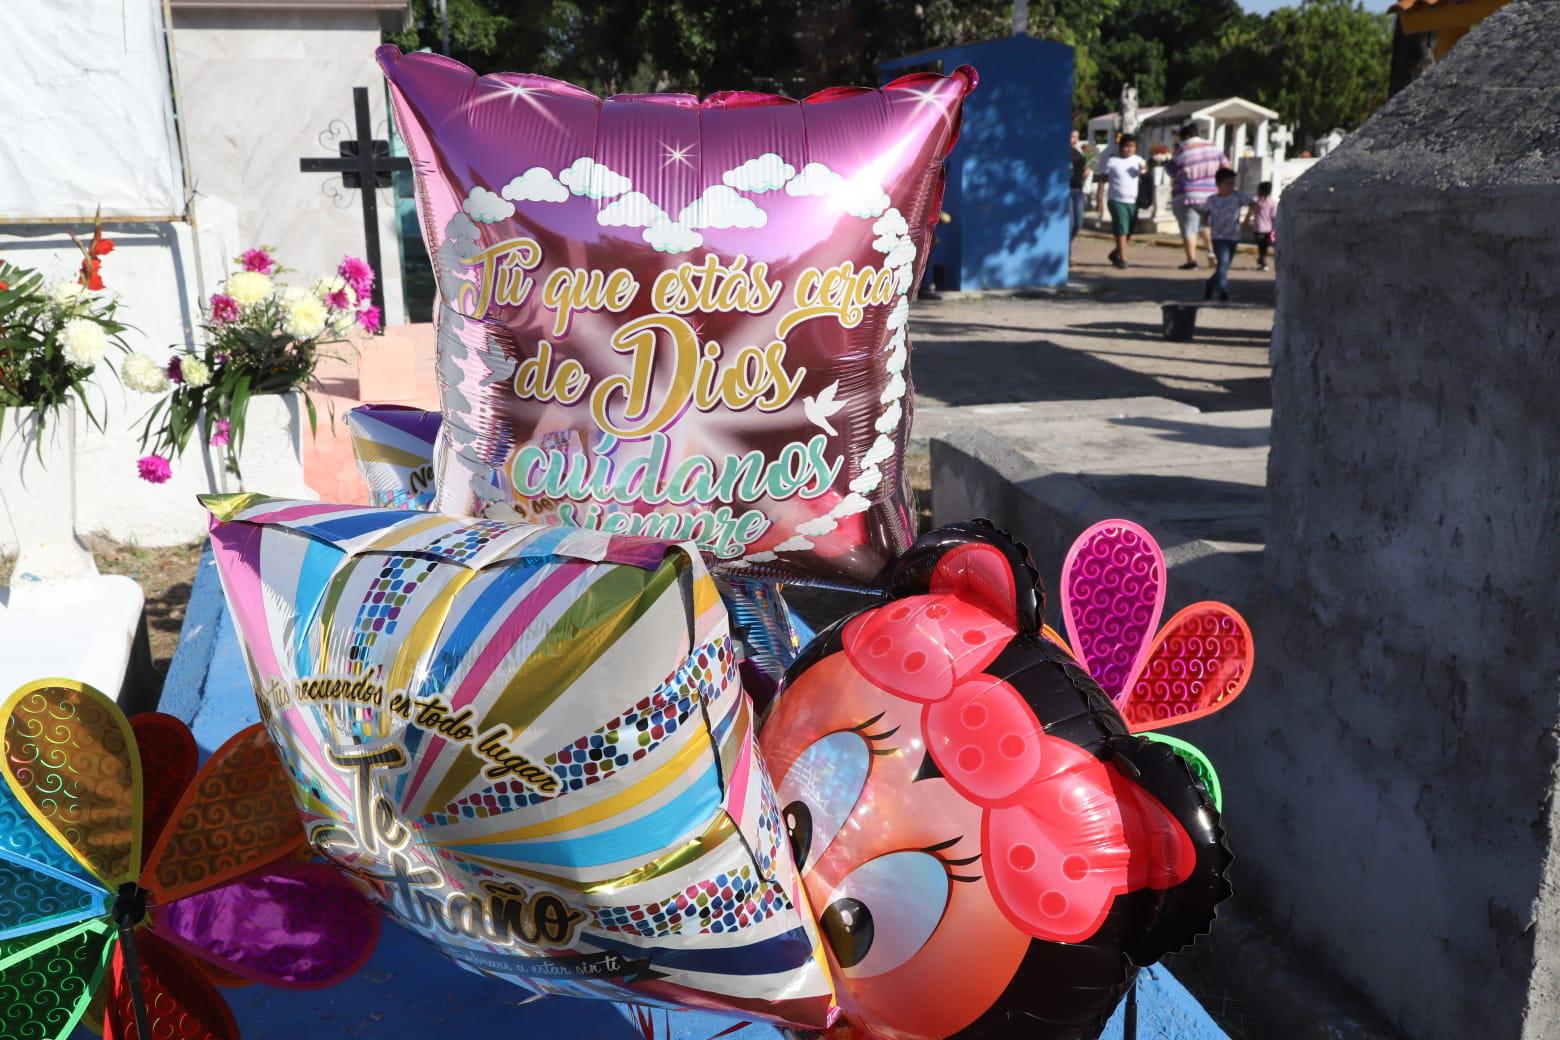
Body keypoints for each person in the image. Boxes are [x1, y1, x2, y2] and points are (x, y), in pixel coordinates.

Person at [1166, 122, 1229, 270]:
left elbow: (1171, 170)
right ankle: (1212, 252)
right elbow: (1226, 167)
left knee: (1189, 227)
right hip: (1210, 194)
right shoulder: (1212, 147)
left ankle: (1191, 260)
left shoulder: (1182, 149)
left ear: (1184, 136)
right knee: (1207, 225)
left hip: (1188, 194)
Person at [1196, 168, 1251, 302]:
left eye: (1233, 183)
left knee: (1224, 265)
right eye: (1227, 184)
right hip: (1218, 236)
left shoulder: (1237, 197)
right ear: (1218, 185)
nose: (1231, 187)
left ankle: (1210, 283)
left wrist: (1247, 219)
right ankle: (1223, 290)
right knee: (1223, 262)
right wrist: (1205, 222)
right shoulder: (1213, 199)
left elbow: (1253, 203)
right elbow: (1205, 212)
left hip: (1233, 236)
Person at [1095, 133, 1145, 269]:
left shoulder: (1138, 160)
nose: (1129, 149)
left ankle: (1115, 253)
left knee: (1129, 231)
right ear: (1120, 147)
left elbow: (1146, 177)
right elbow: (1102, 180)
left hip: (1133, 201)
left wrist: (1145, 171)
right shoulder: (1112, 161)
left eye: (1132, 146)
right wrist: (1099, 199)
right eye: (1126, 146)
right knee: (1121, 229)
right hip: (1116, 200)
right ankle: (1123, 259)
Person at [1247, 180, 1277, 271]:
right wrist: (1274, 228)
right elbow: (1274, 216)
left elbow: (1250, 209)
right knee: (1264, 247)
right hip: (1268, 228)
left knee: (1261, 247)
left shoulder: (1256, 201)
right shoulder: (1272, 202)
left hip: (1258, 228)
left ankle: (1262, 262)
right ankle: (1262, 261)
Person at [1068, 129, 1089, 246]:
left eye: (1077, 137)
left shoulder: (1079, 151)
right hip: (1067, 190)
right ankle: (1067, 253)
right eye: (1072, 136)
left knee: (1078, 223)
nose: (1075, 140)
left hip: (1078, 190)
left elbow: (1089, 162)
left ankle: (1066, 246)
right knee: (1069, 224)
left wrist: (1088, 169)